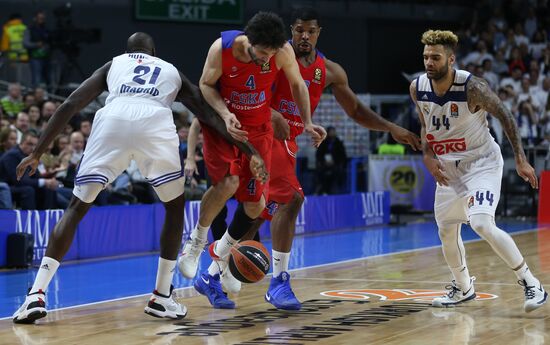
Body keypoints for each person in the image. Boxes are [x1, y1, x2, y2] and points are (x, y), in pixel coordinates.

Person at [11, 32, 267, 324]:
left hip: (113, 119)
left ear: (127, 51)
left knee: (76, 207)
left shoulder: (114, 64)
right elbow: (208, 115)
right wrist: (250, 152)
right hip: (154, 123)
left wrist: (37, 153)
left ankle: (36, 294)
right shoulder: (170, 70)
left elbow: (71, 103)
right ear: (153, 52)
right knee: (174, 207)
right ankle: (161, 297)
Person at [181, 8, 422, 311]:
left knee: (256, 217)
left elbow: (356, 111)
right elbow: (242, 91)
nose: (304, 36)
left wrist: (389, 127)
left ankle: (213, 274)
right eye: (298, 30)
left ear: (319, 32)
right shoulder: (272, 55)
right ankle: (276, 280)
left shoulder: (328, 70)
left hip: (287, 141)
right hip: (260, 131)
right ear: (290, 31)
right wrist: (271, 113)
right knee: (291, 199)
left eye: (310, 31)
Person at [180, 11, 326, 310]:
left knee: (256, 206)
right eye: (261, 54)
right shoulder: (222, 49)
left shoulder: (281, 52)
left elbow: (299, 85)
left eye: (271, 55)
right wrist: (224, 114)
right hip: (223, 127)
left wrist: (308, 121)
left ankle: (216, 264)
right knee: (228, 183)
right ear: (249, 42)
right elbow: (206, 85)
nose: (265, 60)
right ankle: (195, 243)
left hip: (258, 130)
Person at [410, 30, 546, 312]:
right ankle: (463, 287)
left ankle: (531, 282)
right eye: (426, 57)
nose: (429, 63)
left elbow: (505, 115)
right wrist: (427, 155)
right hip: (448, 167)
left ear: (451, 59)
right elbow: (426, 125)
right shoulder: (417, 88)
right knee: (446, 230)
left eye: (435, 57)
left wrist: (520, 158)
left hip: (481, 163)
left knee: (482, 223)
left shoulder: (472, 87)